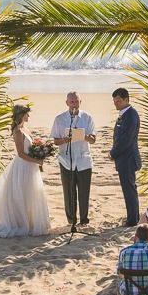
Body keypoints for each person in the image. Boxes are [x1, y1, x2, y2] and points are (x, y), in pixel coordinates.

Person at [0, 103, 52, 237]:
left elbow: (30, 147)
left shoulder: (25, 128)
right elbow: (21, 154)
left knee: (30, 193)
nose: (29, 116)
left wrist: (39, 150)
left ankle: (30, 220)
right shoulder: (17, 131)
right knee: (21, 194)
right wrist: (37, 161)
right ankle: (20, 222)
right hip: (22, 167)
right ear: (21, 115)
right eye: (27, 113)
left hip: (30, 166)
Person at [51, 91, 97, 229]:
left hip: (84, 160)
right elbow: (55, 141)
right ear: (66, 103)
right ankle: (71, 220)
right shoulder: (59, 119)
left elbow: (93, 139)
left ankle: (84, 219)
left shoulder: (87, 117)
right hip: (66, 160)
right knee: (69, 191)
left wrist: (83, 136)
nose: (74, 104)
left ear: (80, 102)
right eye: (71, 102)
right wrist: (65, 139)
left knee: (84, 191)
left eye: (76, 101)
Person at [109, 88, 142, 227]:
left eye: (119, 101)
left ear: (127, 100)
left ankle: (133, 219)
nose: (116, 103)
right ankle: (131, 216)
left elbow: (126, 140)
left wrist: (113, 153)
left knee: (129, 189)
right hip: (123, 159)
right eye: (115, 101)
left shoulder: (131, 115)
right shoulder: (124, 114)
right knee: (127, 189)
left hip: (128, 158)